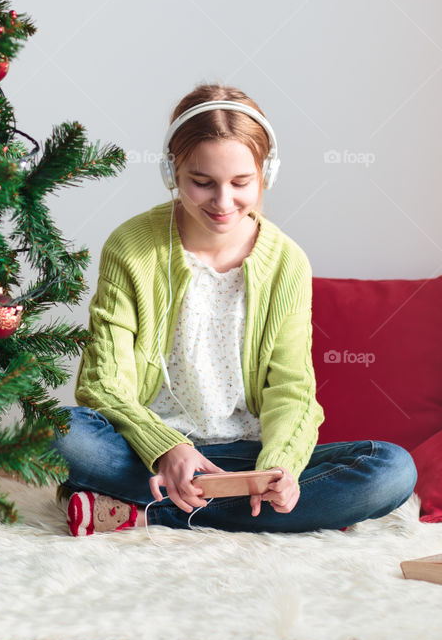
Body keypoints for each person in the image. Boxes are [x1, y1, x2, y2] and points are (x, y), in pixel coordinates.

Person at [51, 82, 418, 538]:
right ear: (172, 173)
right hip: (147, 449)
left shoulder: (287, 262)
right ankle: (245, 509)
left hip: (246, 455)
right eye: (201, 183)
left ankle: (147, 509)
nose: (223, 203)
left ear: (267, 173)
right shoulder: (132, 247)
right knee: (61, 429)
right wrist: (166, 448)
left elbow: (293, 389)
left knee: (393, 469)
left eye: (241, 183)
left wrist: (280, 465)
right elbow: (102, 382)